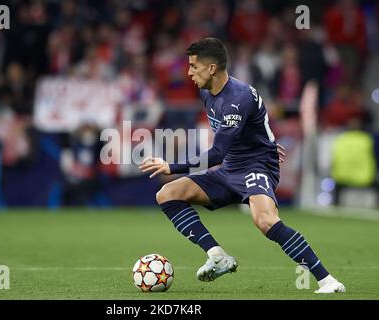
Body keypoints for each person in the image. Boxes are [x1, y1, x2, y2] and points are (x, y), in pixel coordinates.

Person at [139, 38, 345, 293]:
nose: (189, 72)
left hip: (256, 168)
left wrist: (172, 167)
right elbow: (247, 133)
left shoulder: (238, 98)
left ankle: (327, 280)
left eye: (193, 66)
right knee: (168, 194)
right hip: (231, 168)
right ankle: (217, 256)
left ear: (211, 68)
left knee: (266, 221)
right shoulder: (207, 92)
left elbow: (216, 154)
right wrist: (265, 141)